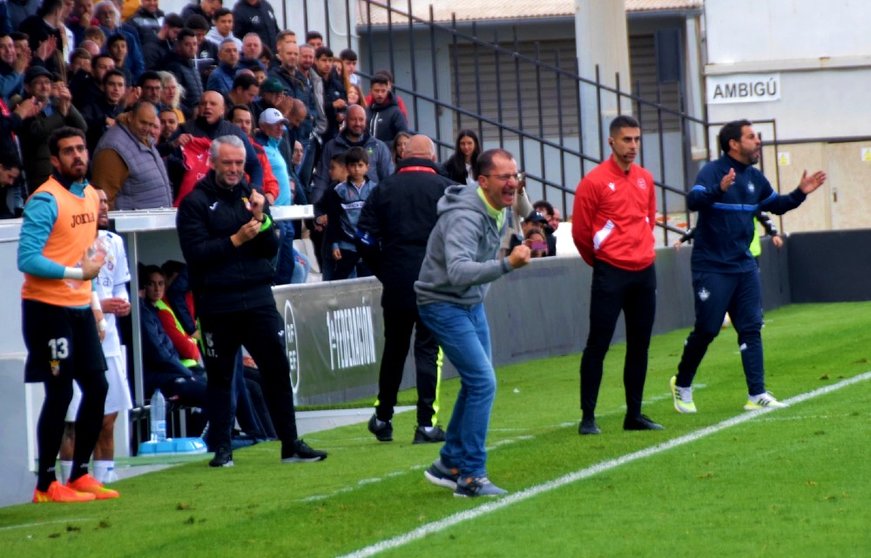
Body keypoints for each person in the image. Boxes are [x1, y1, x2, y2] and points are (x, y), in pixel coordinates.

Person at [176, 134, 327, 467]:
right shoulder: (195, 204)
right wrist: (235, 240)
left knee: (276, 368)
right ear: (213, 163)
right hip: (218, 303)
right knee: (220, 376)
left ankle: (290, 444)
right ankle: (223, 447)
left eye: (239, 163)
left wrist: (263, 219)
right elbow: (196, 254)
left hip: (257, 299)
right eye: (227, 162)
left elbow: (270, 246)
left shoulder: (252, 198)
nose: (233, 169)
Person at [670, 119, 826, 413]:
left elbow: (776, 205)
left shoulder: (755, 178)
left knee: (751, 328)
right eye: (752, 137)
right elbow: (693, 200)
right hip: (712, 265)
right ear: (734, 144)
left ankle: (757, 394)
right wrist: (718, 189)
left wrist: (801, 192)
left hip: (743, 265)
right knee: (707, 329)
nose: (758, 142)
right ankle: (682, 384)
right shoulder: (712, 171)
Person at [418, 148, 531, 497]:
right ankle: (471, 477)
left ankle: (450, 462)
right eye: (505, 177)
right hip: (442, 303)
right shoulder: (465, 216)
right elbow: (457, 270)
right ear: (482, 181)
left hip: (468, 303)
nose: (512, 183)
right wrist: (506, 265)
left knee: (475, 382)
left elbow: (525, 212)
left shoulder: (497, 205)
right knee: (483, 382)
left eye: (515, 175)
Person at [19, 127, 119, 503]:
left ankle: (79, 475)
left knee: (98, 387)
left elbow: (86, 252)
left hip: (79, 308)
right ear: (55, 159)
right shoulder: (45, 200)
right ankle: (45, 484)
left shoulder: (91, 195)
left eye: (81, 148)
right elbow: (26, 259)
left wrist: (93, 303)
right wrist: (78, 275)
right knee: (59, 393)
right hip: (47, 310)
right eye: (69, 151)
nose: (78, 156)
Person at [357, 135, 453, 444]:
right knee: (428, 351)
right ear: (431, 155)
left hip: (396, 282)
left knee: (394, 350)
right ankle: (426, 424)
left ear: (403, 156)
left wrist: (383, 269)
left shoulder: (384, 188)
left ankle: (383, 416)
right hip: (434, 282)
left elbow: (364, 238)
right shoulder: (445, 188)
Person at [571, 115, 662, 435]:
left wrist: (639, 249)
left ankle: (634, 414)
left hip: (644, 272)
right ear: (612, 142)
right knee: (598, 344)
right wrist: (604, 260)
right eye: (627, 139)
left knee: (640, 345)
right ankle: (588, 417)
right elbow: (582, 233)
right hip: (611, 272)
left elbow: (648, 220)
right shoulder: (593, 182)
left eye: (637, 139)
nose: (633, 145)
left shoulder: (645, 179)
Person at [59, 189, 132, 485]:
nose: (104, 207)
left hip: (109, 339)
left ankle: (104, 479)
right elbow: (64, 290)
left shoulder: (115, 242)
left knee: (108, 416)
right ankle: (69, 480)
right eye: (97, 202)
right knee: (73, 419)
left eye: (105, 202)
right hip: (77, 332)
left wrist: (120, 303)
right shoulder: (69, 243)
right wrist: (101, 306)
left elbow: (118, 286)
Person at [92, 101, 172, 209]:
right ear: (130, 117)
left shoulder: (142, 138)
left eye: (150, 124)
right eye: (143, 123)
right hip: (132, 224)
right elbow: (104, 197)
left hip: (152, 223)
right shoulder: (113, 148)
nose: (147, 128)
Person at [318, 146, 374, 280]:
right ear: (347, 168)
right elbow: (334, 219)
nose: (356, 169)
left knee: (368, 281)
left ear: (367, 167)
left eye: (360, 165)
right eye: (353, 165)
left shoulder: (375, 189)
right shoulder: (338, 190)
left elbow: (377, 218)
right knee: (344, 282)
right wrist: (334, 244)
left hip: (367, 242)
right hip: (345, 244)